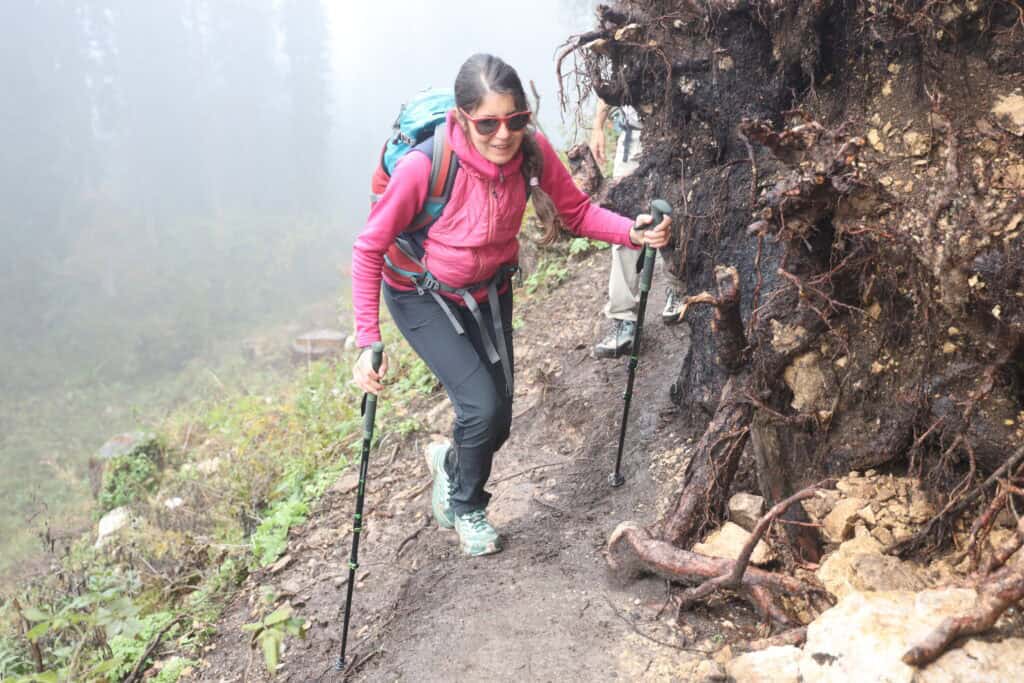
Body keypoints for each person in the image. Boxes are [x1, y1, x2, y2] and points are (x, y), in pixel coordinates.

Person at [350, 54, 671, 557]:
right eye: (488, 124)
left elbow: (578, 212)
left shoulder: (531, 151)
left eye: (515, 119)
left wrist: (631, 231)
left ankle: (448, 466)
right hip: (420, 294)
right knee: (481, 407)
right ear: (461, 119)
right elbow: (369, 247)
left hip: (488, 289)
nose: (503, 134)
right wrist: (369, 339)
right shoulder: (423, 169)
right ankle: (466, 507)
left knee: (497, 418)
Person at [589, 98, 685, 359]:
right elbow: (612, 77)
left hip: (677, 127)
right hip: (631, 137)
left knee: (675, 210)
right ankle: (623, 318)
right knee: (624, 219)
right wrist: (598, 126)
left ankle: (678, 289)